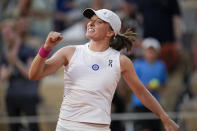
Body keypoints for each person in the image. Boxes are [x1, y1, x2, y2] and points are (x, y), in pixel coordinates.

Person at [29, 8, 179, 131]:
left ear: (110, 32)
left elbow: (141, 92)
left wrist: (164, 118)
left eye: (98, 22)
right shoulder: (70, 51)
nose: (91, 24)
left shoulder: (121, 61)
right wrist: (46, 48)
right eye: (91, 21)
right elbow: (34, 75)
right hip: (66, 126)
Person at [0, 19, 40, 131]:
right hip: (11, 95)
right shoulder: (6, 54)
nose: (5, 37)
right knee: (14, 127)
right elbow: (2, 78)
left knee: (33, 127)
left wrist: (16, 61)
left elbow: (30, 74)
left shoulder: (29, 50)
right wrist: (12, 65)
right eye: (3, 35)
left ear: (15, 32)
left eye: (8, 34)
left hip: (28, 95)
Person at [131, 38, 167, 131]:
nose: (150, 52)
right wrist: (146, 87)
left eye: (153, 50)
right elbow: (132, 83)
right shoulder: (137, 64)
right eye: (148, 50)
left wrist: (157, 88)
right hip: (140, 103)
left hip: (155, 103)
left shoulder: (161, 65)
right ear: (144, 51)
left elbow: (163, 83)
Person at [137, 0, 182, 72]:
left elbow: (176, 19)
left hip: (167, 42)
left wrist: (178, 40)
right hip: (149, 42)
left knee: (166, 69)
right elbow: (140, 17)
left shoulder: (171, 2)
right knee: (149, 70)